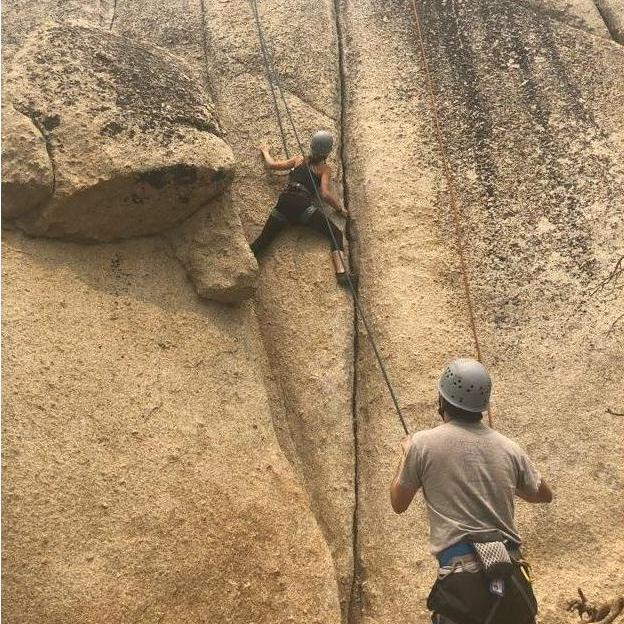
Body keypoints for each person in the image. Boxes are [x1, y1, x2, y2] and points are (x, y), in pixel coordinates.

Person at [390, 358, 553, 624]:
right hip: (511, 578)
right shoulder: (509, 448)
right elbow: (543, 494)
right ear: (483, 407)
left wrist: (406, 453)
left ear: (441, 400)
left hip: (462, 582)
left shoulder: (422, 444)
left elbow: (398, 502)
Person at [250, 130, 352, 284]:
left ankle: (240, 262)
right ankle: (341, 274)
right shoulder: (324, 169)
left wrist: (265, 151)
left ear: (311, 146)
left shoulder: (298, 160)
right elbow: (325, 194)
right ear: (328, 152)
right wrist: (340, 209)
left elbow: (271, 165)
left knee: (263, 241)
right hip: (302, 208)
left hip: (284, 204)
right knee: (335, 233)